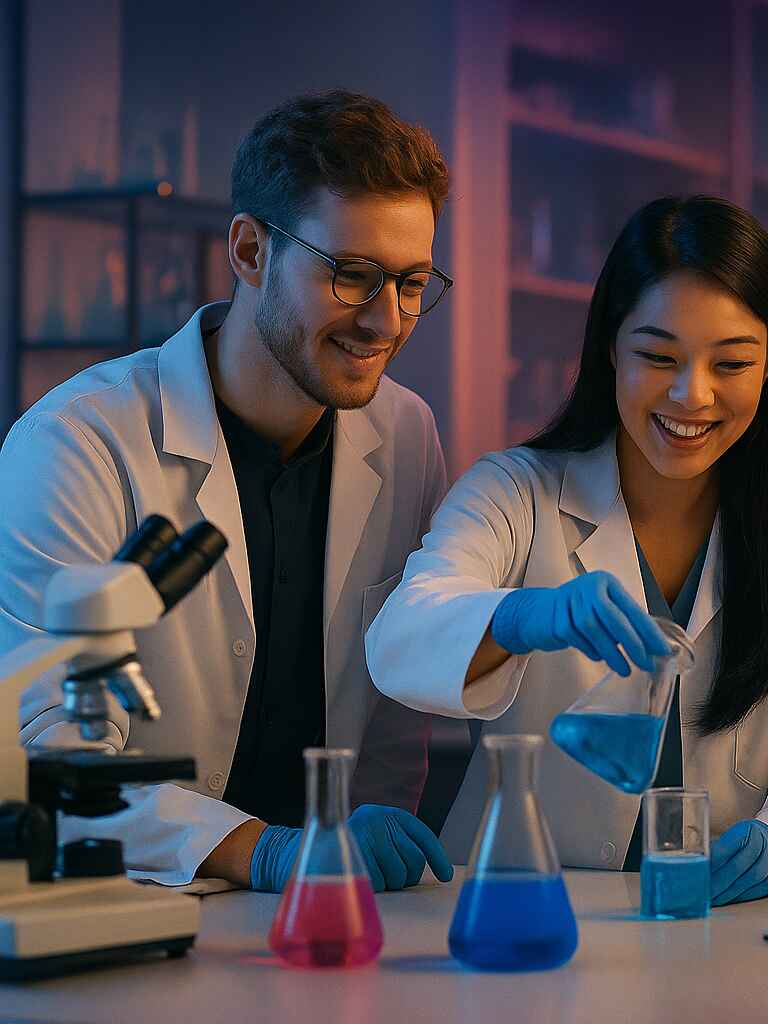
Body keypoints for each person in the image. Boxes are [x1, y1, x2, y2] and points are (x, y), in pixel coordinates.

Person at [367, 196, 768, 906]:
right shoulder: (518, 490)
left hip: (722, 928)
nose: (691, 395)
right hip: (518, 909)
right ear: (610, 347)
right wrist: (524, 617)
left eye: (731, 363)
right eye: (657, 355)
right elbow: (399, 642)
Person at [0, 91, 455, 892]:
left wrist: (360, 865)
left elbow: (392, 707)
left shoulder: (407, 433)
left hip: (327, 915)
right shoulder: (77, 441)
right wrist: (271, 854)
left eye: (411, 282)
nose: (386, 321)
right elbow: (50, 748)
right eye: (353, 275)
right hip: (133, 903)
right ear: (249, 252)